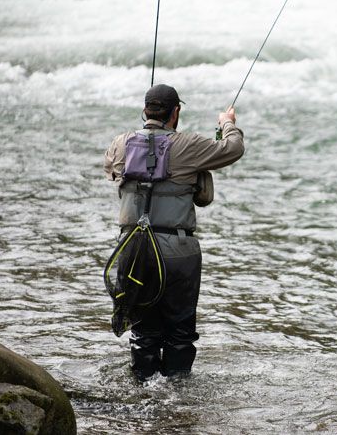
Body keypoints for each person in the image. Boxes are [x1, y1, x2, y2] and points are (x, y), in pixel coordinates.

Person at [103, 84, 244, 380]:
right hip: (178, 252)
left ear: (145, 111)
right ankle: (178, 396)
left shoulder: (120, 143)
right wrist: (227, 123)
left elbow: (110, 170)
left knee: (143, 330)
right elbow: (233, 149)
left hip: (133, 251)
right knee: (180, 333)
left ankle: (143, 390)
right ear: (175, 113)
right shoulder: (189, 145)